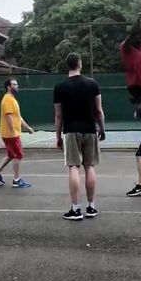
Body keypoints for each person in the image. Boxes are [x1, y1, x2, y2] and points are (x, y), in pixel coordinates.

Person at [54, 53, 106, 221]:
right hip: (90, 130)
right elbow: (99, 111)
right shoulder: (92, 84)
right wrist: (102, 129)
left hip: (71, 130)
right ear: (80, 64)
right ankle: (91, 207)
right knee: (89, 167)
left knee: (73, 167)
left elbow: (58, 116)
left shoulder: (60, 87)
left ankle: (76, 209)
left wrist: (58, 136)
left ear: (67, 65)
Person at [0, 79, 34, 188]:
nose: (17, 86)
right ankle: (16, 180)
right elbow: (8, 115)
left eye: (17, 84)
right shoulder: (7, 99)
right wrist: (13, 131)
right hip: (10, 134)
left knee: (11, 154)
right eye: (14, 84)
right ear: (9, 87)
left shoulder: (12, 99)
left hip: (10, 133)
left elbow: (18, 117)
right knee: (18, 154)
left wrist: (28, 128)